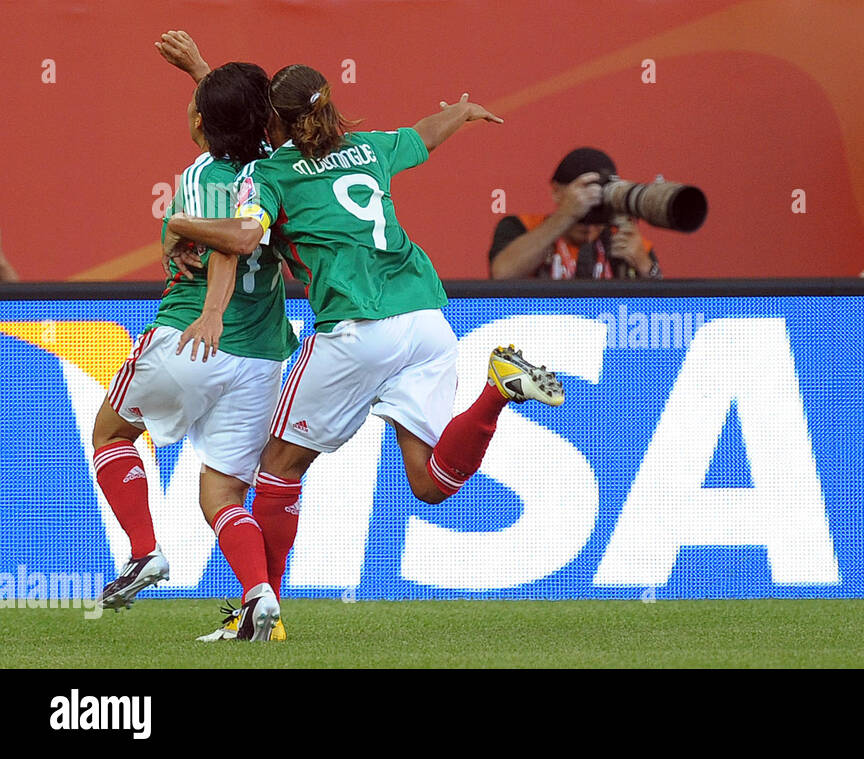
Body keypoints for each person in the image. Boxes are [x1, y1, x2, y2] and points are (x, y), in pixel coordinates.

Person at [163, 65, 564, 640]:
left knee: (277, 470)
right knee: (430, 484)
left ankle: (260, 615)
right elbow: (424, 133)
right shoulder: (370, 148)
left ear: (278, 120)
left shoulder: (272, 176)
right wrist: (463, 110)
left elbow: (246, 237)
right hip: (427, 321)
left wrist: (182, 223)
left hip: (357, 328)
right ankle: (494, 391)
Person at [92, 56, 299, 644]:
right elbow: (241, 119)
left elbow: (228, 249)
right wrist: (201, 70)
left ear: (203, 123)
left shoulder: (198, 178)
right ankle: (259, 596)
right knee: (224, 495)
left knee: (110, 433)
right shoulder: (280, 170)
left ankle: (144, 553)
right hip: (261, 356)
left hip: (194, 337)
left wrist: (210, 312)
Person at [488, 147, 662, 279]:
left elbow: (661, 314)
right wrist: (567, 215)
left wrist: (645, 266)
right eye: (582, 195)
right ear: (556, 191)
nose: (588, 213)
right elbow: (502, 273)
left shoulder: (624, 239)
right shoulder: (523, 226)